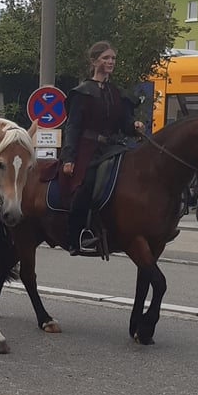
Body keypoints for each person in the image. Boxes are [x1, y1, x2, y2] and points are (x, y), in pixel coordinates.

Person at [60, 41, 145, 255]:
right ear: (94, 61)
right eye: (106, 58)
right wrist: (68, 157)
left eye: (113, 58)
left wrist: (134, 126)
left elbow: (124, 123)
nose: (111, 62)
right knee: (87, 185)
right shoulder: (82, 93)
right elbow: (73, 127)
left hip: (113, 147)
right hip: (87, 150)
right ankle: (76, 236)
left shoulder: (117, 93)